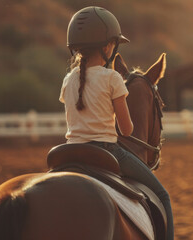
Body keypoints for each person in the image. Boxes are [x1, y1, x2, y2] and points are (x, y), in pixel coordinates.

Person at [60, 6, 174, 239]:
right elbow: (126, 129)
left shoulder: (69, 79)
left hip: (68, 152)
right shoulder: (112, 77)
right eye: (113, 44)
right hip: (105, 150)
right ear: (107, 46)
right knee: (162, 196)